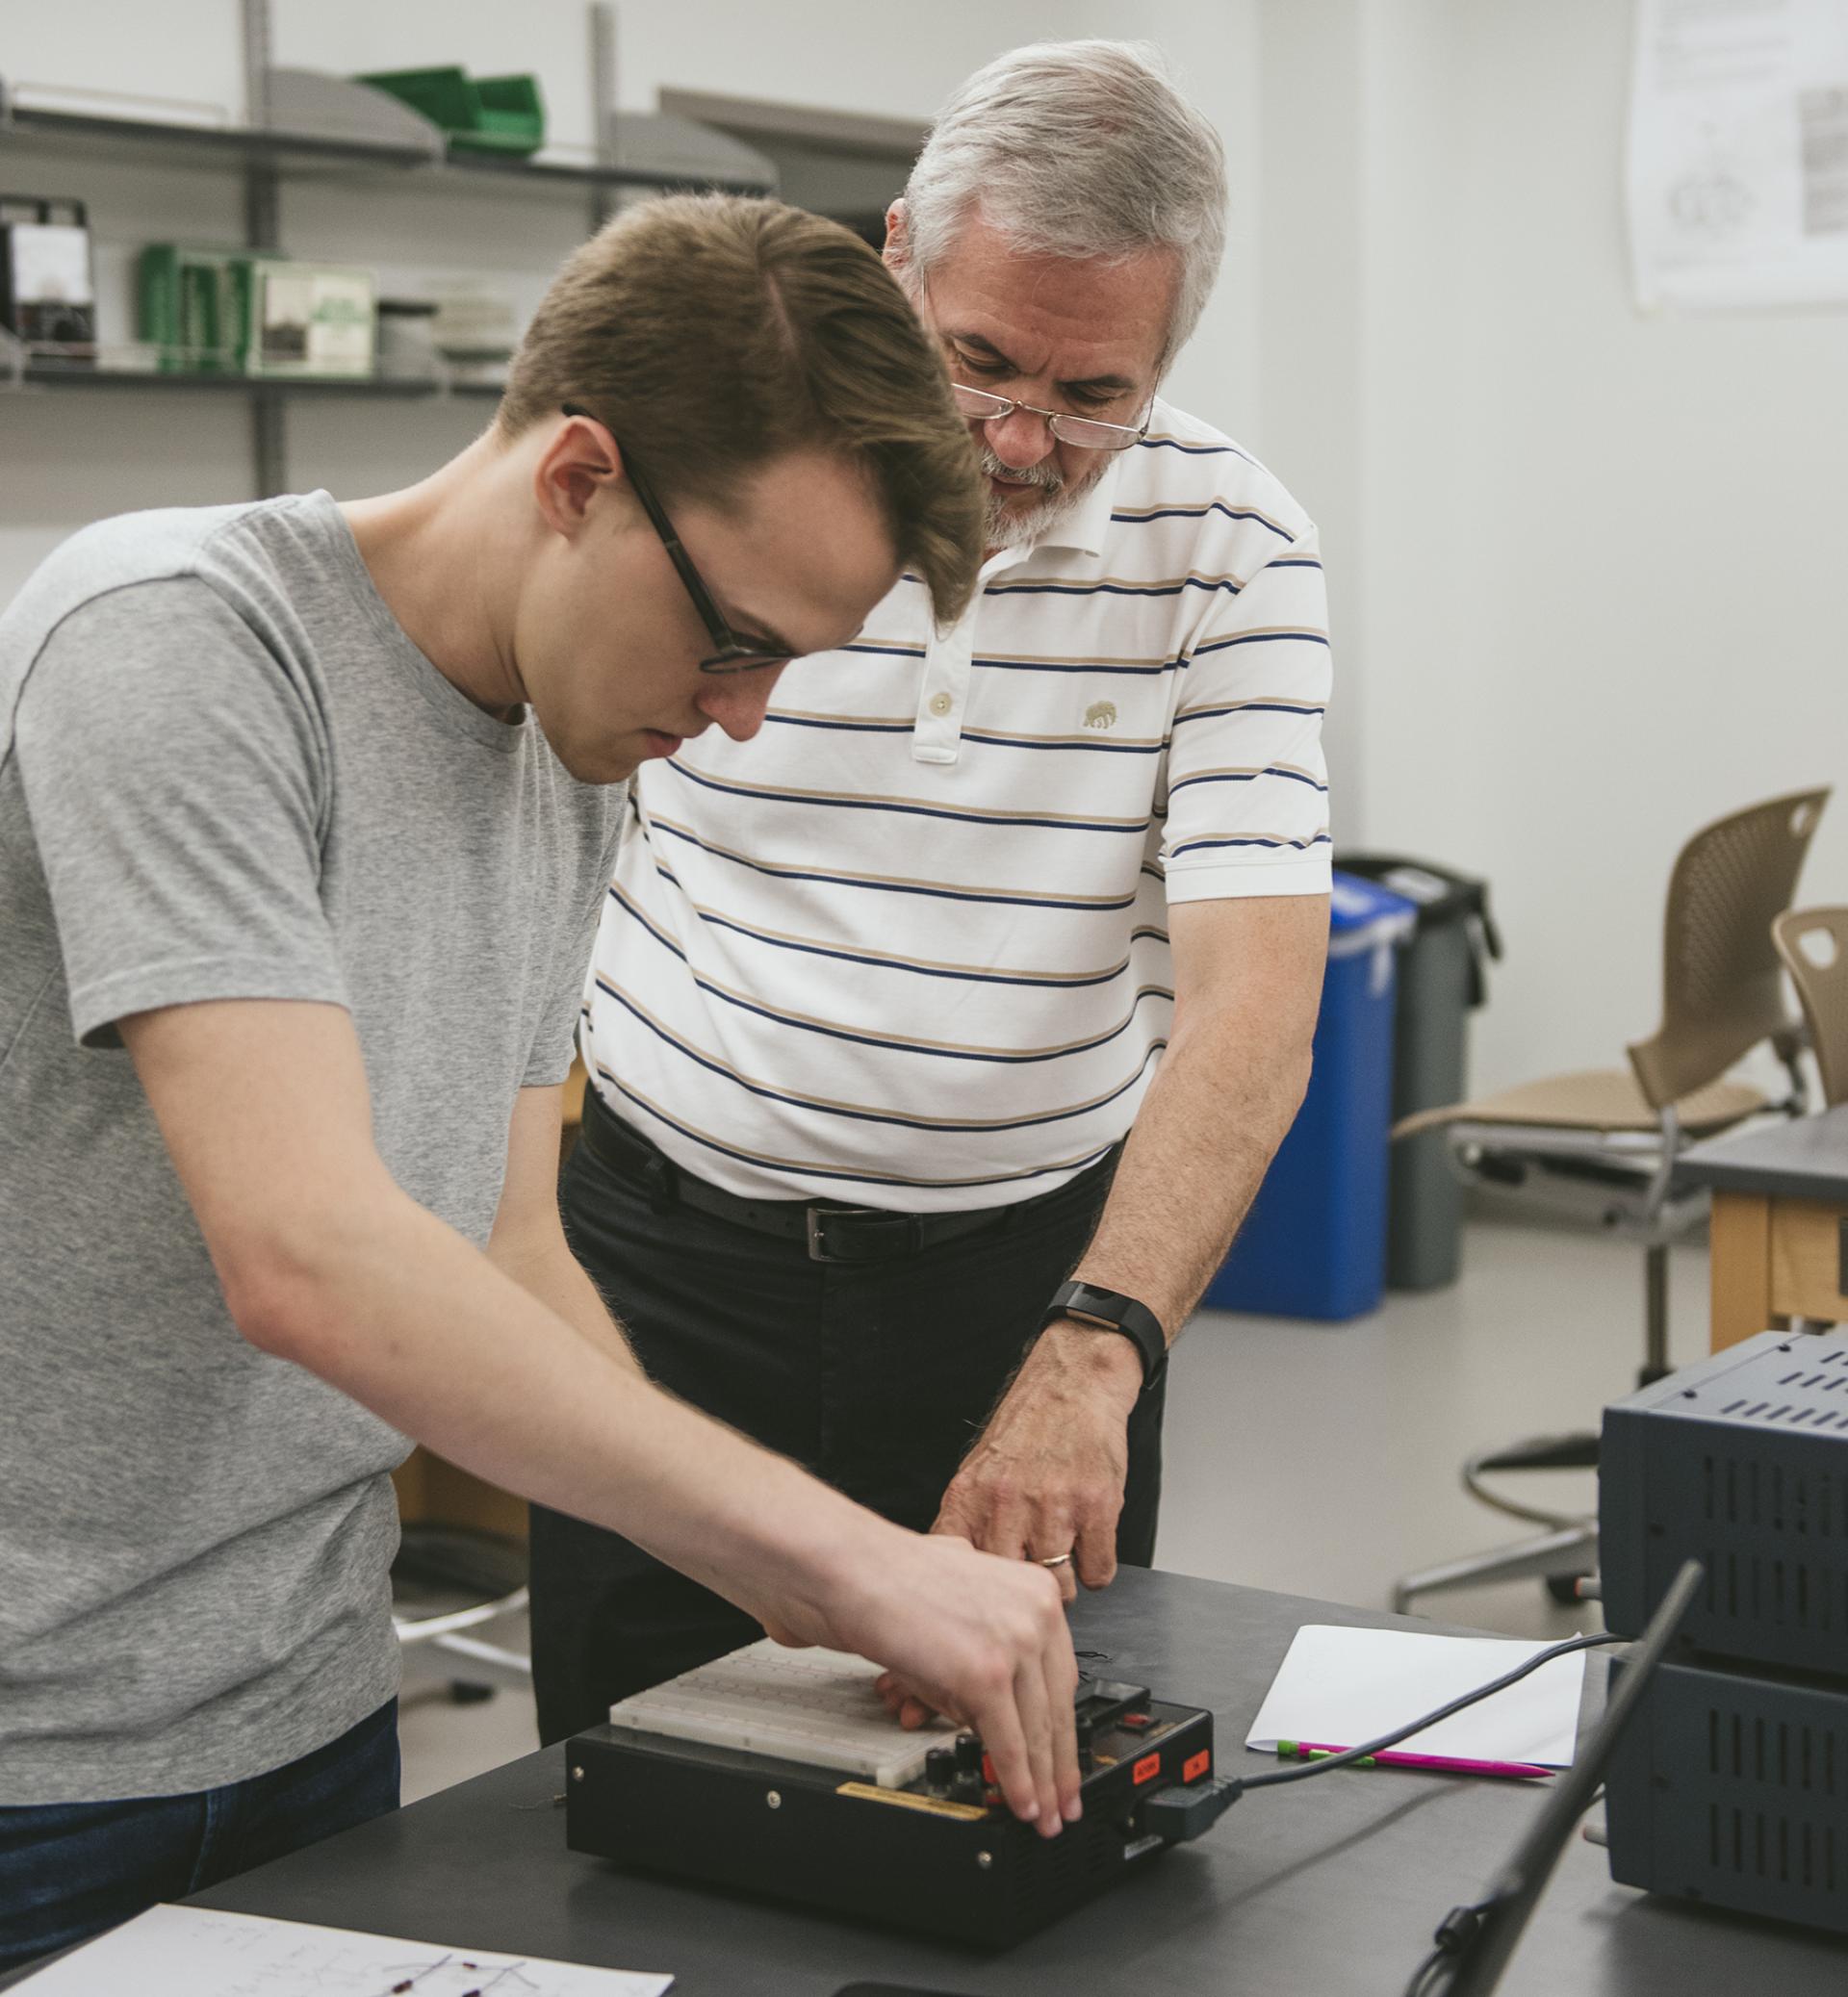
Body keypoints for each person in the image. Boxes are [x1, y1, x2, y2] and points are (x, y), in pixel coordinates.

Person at [0, 193, 1083, 1975]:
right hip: (35, 1757)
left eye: (788, 667)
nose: (740, 715)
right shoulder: (175, 640)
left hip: (308, 1708)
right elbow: (312, 1251)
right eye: (735, 637)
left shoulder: (572, 754)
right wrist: (843, 1549)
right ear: (579, 476)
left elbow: (507, 1247)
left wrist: (792, 1599)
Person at [529, 40, 1333, 1744]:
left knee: (1009, 1802)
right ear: (895, 255)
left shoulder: (1235, 548)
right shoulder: (730, 474)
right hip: (667, 1264)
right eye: (975, 362)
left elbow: (1256, 1006)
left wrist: (1101, 1346)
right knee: (628, 1807)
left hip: (1027, 1291)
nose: (1023, 439)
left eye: (1094, 391)